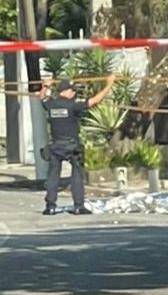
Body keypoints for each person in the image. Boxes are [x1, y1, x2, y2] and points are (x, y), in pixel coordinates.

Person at [40, 75, 116, 215]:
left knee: (53, 176)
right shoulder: (72, 105)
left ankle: (50, 206)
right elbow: (94, 101)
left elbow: (42, 98)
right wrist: (108, 85)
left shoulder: (51, 104)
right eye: (73, 91)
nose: (74, 93)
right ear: (67, 91)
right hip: (71, 146)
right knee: (77, 175)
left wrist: (45, 86)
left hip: (56, 146)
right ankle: (78, 206)